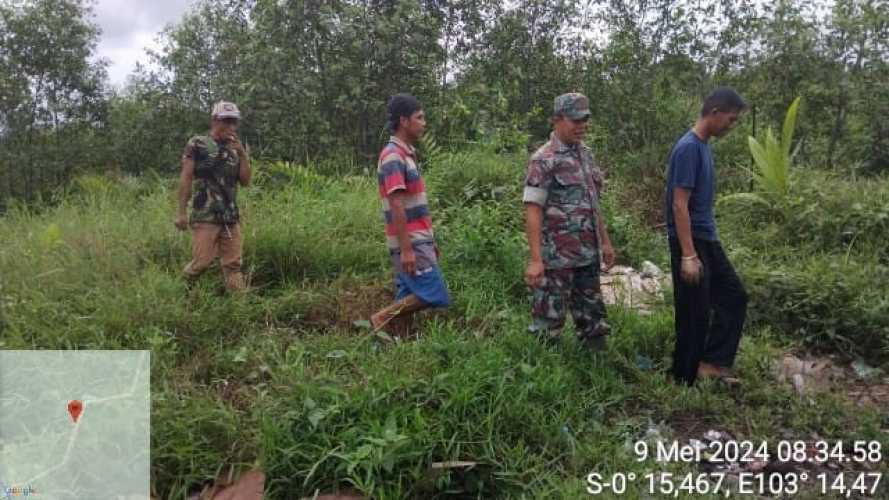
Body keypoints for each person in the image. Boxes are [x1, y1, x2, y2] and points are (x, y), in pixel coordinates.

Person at [665, 86, 749, 385]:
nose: (732, 125)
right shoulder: (688, 147)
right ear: (714, 113)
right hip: (692, 240)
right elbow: (679, 203)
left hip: (706, 238)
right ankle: (682, 378)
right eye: (731, 119)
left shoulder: (702, 146)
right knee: (693, 312)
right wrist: (688, 255)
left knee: (733, 296)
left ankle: (711, 363)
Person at [523, 92, 615, 349]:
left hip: (587, 254)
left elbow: (593, 203)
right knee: (547, 324)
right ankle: (544, 376)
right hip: (556, 259)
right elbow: (532, 209)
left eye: (585, 120)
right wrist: (536, 259)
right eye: (575, 120)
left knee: (594, 321)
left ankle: (596, 369)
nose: (582, 126)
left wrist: (605, 243)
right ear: (557, 119)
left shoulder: (585, 154)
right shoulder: (543, 159)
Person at [370, 94, 450, 332]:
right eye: (420, 117)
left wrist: (429, 240)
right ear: (404, 121)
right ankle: (381, 318)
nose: (424, 123)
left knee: (408, 294)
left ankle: (394, 345)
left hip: (418, 239)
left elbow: (413, 204)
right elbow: (397, 205)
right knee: (435, 293)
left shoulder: (405, 154)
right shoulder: (393, 156)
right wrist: (407, 249)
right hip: (410, 242)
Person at [175, 101, 251, 291]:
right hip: (206, 215)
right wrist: (181, 212)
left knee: (233, 265)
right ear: (214, 120)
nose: (230, 126)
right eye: (226, 121)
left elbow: (245, 181)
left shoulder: (236, 149)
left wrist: (242, 154)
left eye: (234, 122)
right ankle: (178, 292)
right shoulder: (198, 143)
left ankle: (240, 310)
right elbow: (186, 177)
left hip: (230, 216)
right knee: (202, 263)